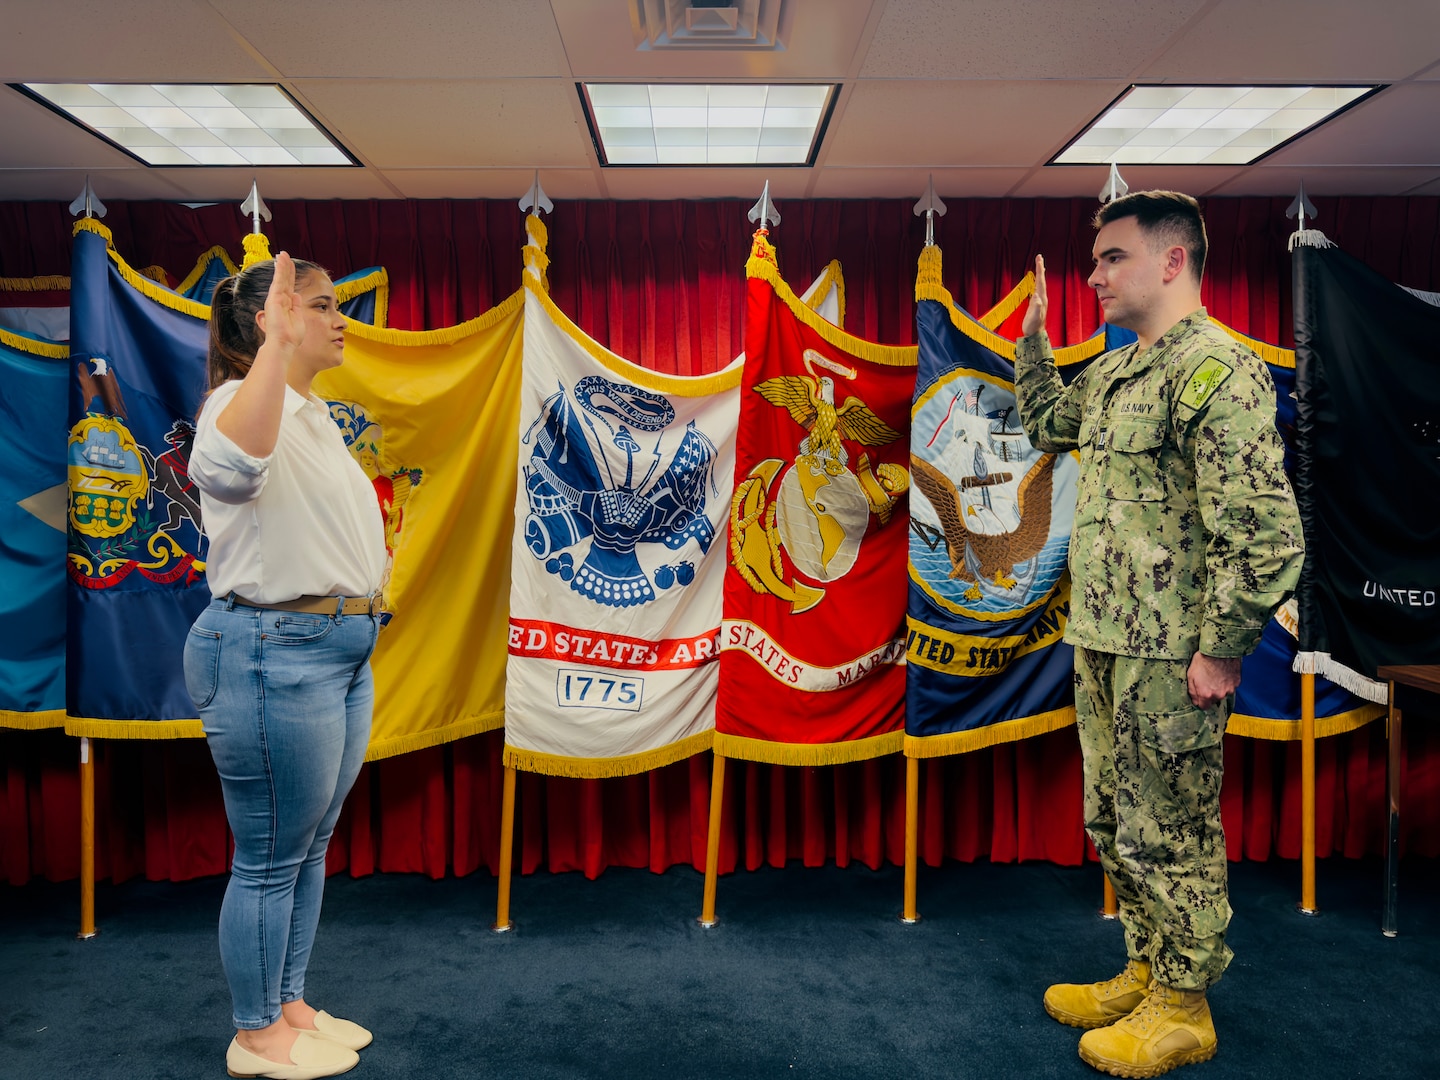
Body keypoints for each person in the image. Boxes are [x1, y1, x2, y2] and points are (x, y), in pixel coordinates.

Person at [1014, 191, 1303, 1077]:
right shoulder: (1114, 373)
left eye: (1113, 258)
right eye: (1094, 260)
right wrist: (1031, 342)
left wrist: (1221, 649)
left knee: (1173, 826)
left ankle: (1185, 1004)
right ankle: (1147, 970)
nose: (1094, 275)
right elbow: (1042, 424)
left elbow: (1264, 533)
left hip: (1172, 655)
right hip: (1103, 638)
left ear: (1173, 262)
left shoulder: (1216, 371)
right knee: (1115, 821)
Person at [183, 252, 387, 1080]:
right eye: (325, 306)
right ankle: (254, 1035)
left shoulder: (313, 415)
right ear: (275, 320)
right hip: (272, 652)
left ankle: (288, 1003)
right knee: (270, 854)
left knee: (309, 845)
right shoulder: (235, 402)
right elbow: (230, 472)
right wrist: (268, 348)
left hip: (335, 653)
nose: (342, 320)